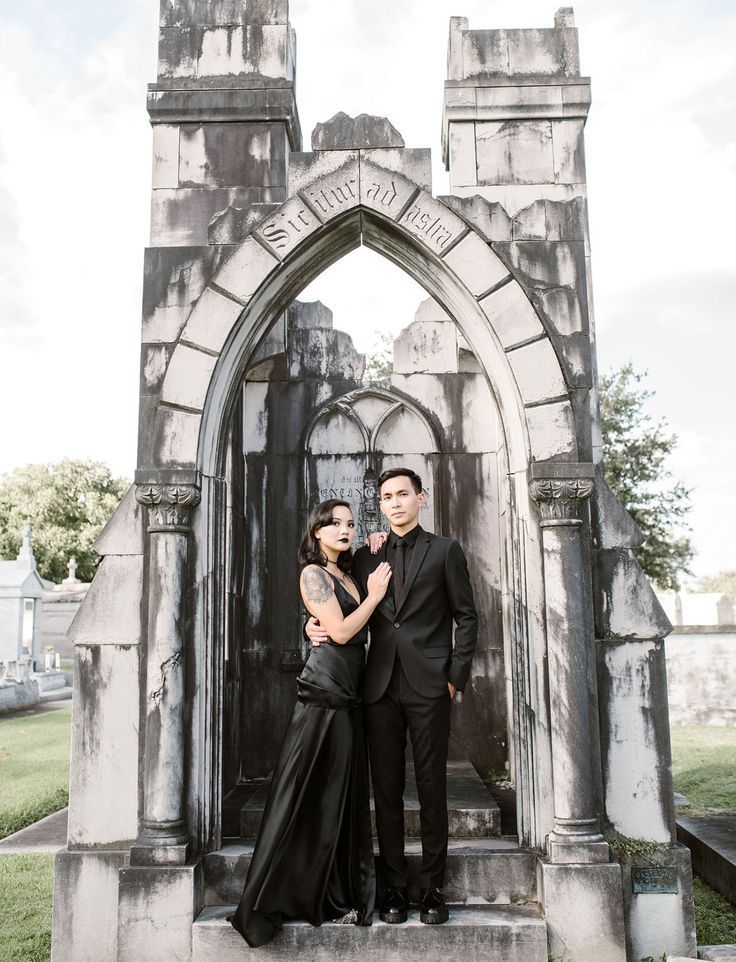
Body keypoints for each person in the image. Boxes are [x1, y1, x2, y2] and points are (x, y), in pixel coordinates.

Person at [307, 467, 478, 926]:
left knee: (431, 787)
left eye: (403, 494)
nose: (395, 502)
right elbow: (333, 599)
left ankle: (433, 889)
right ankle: (396, 889)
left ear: (421, 498)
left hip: (430, 686)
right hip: (377, 686)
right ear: (379, 506)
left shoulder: (445, 551)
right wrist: (311, 626)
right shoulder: (363, 557)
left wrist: (454, 677)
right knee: (385, 791)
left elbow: (467, 616)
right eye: (387, 497)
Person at [228, 499, 392, 947]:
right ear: (317, 531)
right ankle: (279, 896)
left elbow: (338, 619)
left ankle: (334, 888)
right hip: (324, 691)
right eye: (334, 523)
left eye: (351, 524)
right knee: (305, 792)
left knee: (335, 793)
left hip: (349, 692)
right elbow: (339, 633)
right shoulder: (313, 574)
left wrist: (376, 544)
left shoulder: (349, 571)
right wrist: (371, 598)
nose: (344, 529)